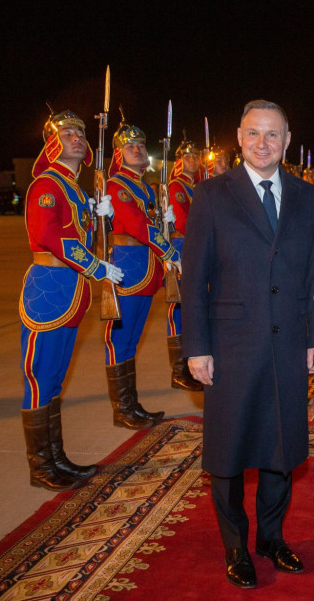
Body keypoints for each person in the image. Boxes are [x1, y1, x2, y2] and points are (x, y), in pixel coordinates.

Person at [182, 100, 314, 589]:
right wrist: (196, 346)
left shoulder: (307, 197)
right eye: (253, 134)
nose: (262, 143)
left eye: (273, 135)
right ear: (239, 138)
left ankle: (271, 537)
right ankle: (235, 545)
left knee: (280, 447)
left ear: (287, 141)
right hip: (230, 346)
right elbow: (195, 278)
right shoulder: (210, 195)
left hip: (288, 343)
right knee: (227, 452)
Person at [19, 108, 124, 491]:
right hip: (48, 289)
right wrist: (96, 268)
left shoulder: (75, 188)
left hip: (70, 290)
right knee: (39, 377)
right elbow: (52, 238)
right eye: (68, 134)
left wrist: (104, 218)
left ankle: (56, 458)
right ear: (51, 143)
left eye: (81, 135)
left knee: (55, 379)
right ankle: (41, 465)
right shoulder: (47, 185)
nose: (77, 139)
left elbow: (84, 237)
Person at [103, 115, 180, 429]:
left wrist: (168, 220)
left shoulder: (146, 187)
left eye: (139, 145)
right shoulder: (116, 185)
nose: (137, 149)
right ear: (119, 154)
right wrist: (171, 251)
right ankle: (122, 408)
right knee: (121, 340)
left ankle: (131, 404)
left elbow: (155, 223)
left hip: (146, 270)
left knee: (132, 339)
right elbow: (138, 226)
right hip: (127, 268)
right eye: (129, 146)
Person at [165, 137, 202, 391]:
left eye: (196, 156)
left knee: (190, 309)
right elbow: (183, 221)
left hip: (193, 246)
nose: (193, 160)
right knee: (178, 310)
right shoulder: (177, 186)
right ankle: (179, 371)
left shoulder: (196, 186)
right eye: (188, 156)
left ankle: (187, 366)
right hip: (180, 247)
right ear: (179, 161)